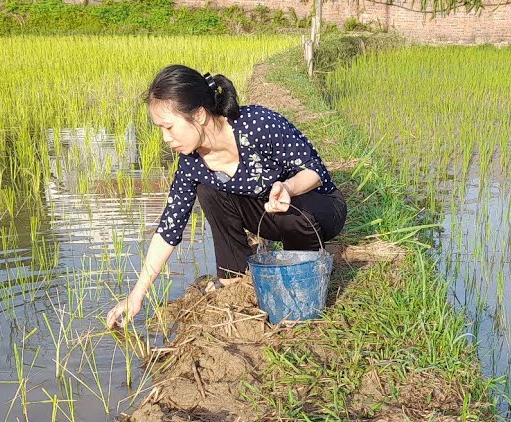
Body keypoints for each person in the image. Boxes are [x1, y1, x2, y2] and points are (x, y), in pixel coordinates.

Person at [105, 65, 347, 328]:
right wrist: (136, 294)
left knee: (293, 223)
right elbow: (169, 228)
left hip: (317, 207)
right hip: (270, 213)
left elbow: (316, 171)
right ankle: (234, 275)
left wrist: (287, 188)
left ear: (198, 114)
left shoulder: (256, 125)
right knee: (209, 190)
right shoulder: (191, 163)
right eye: (160, 129)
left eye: (169, 127)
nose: (165, 138)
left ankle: (308, 265)